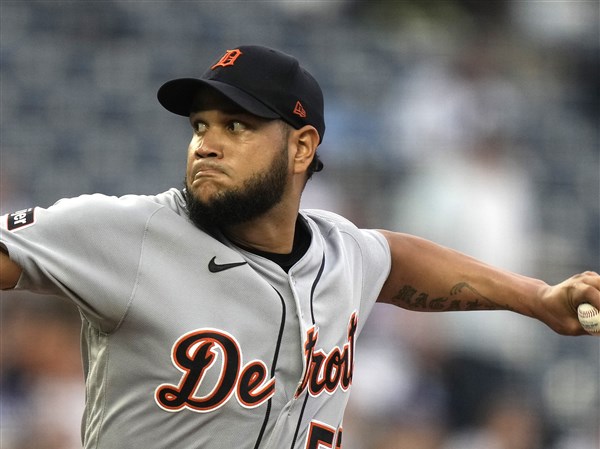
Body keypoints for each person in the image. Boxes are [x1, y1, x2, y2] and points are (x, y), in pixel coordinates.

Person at [0, 45, 598, 449]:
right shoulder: (126, 233)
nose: (207, 144)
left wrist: (538, 298)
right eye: (199, 126)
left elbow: (396, 262)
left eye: (236, 126)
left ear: (302, 147)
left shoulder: (341, 253)